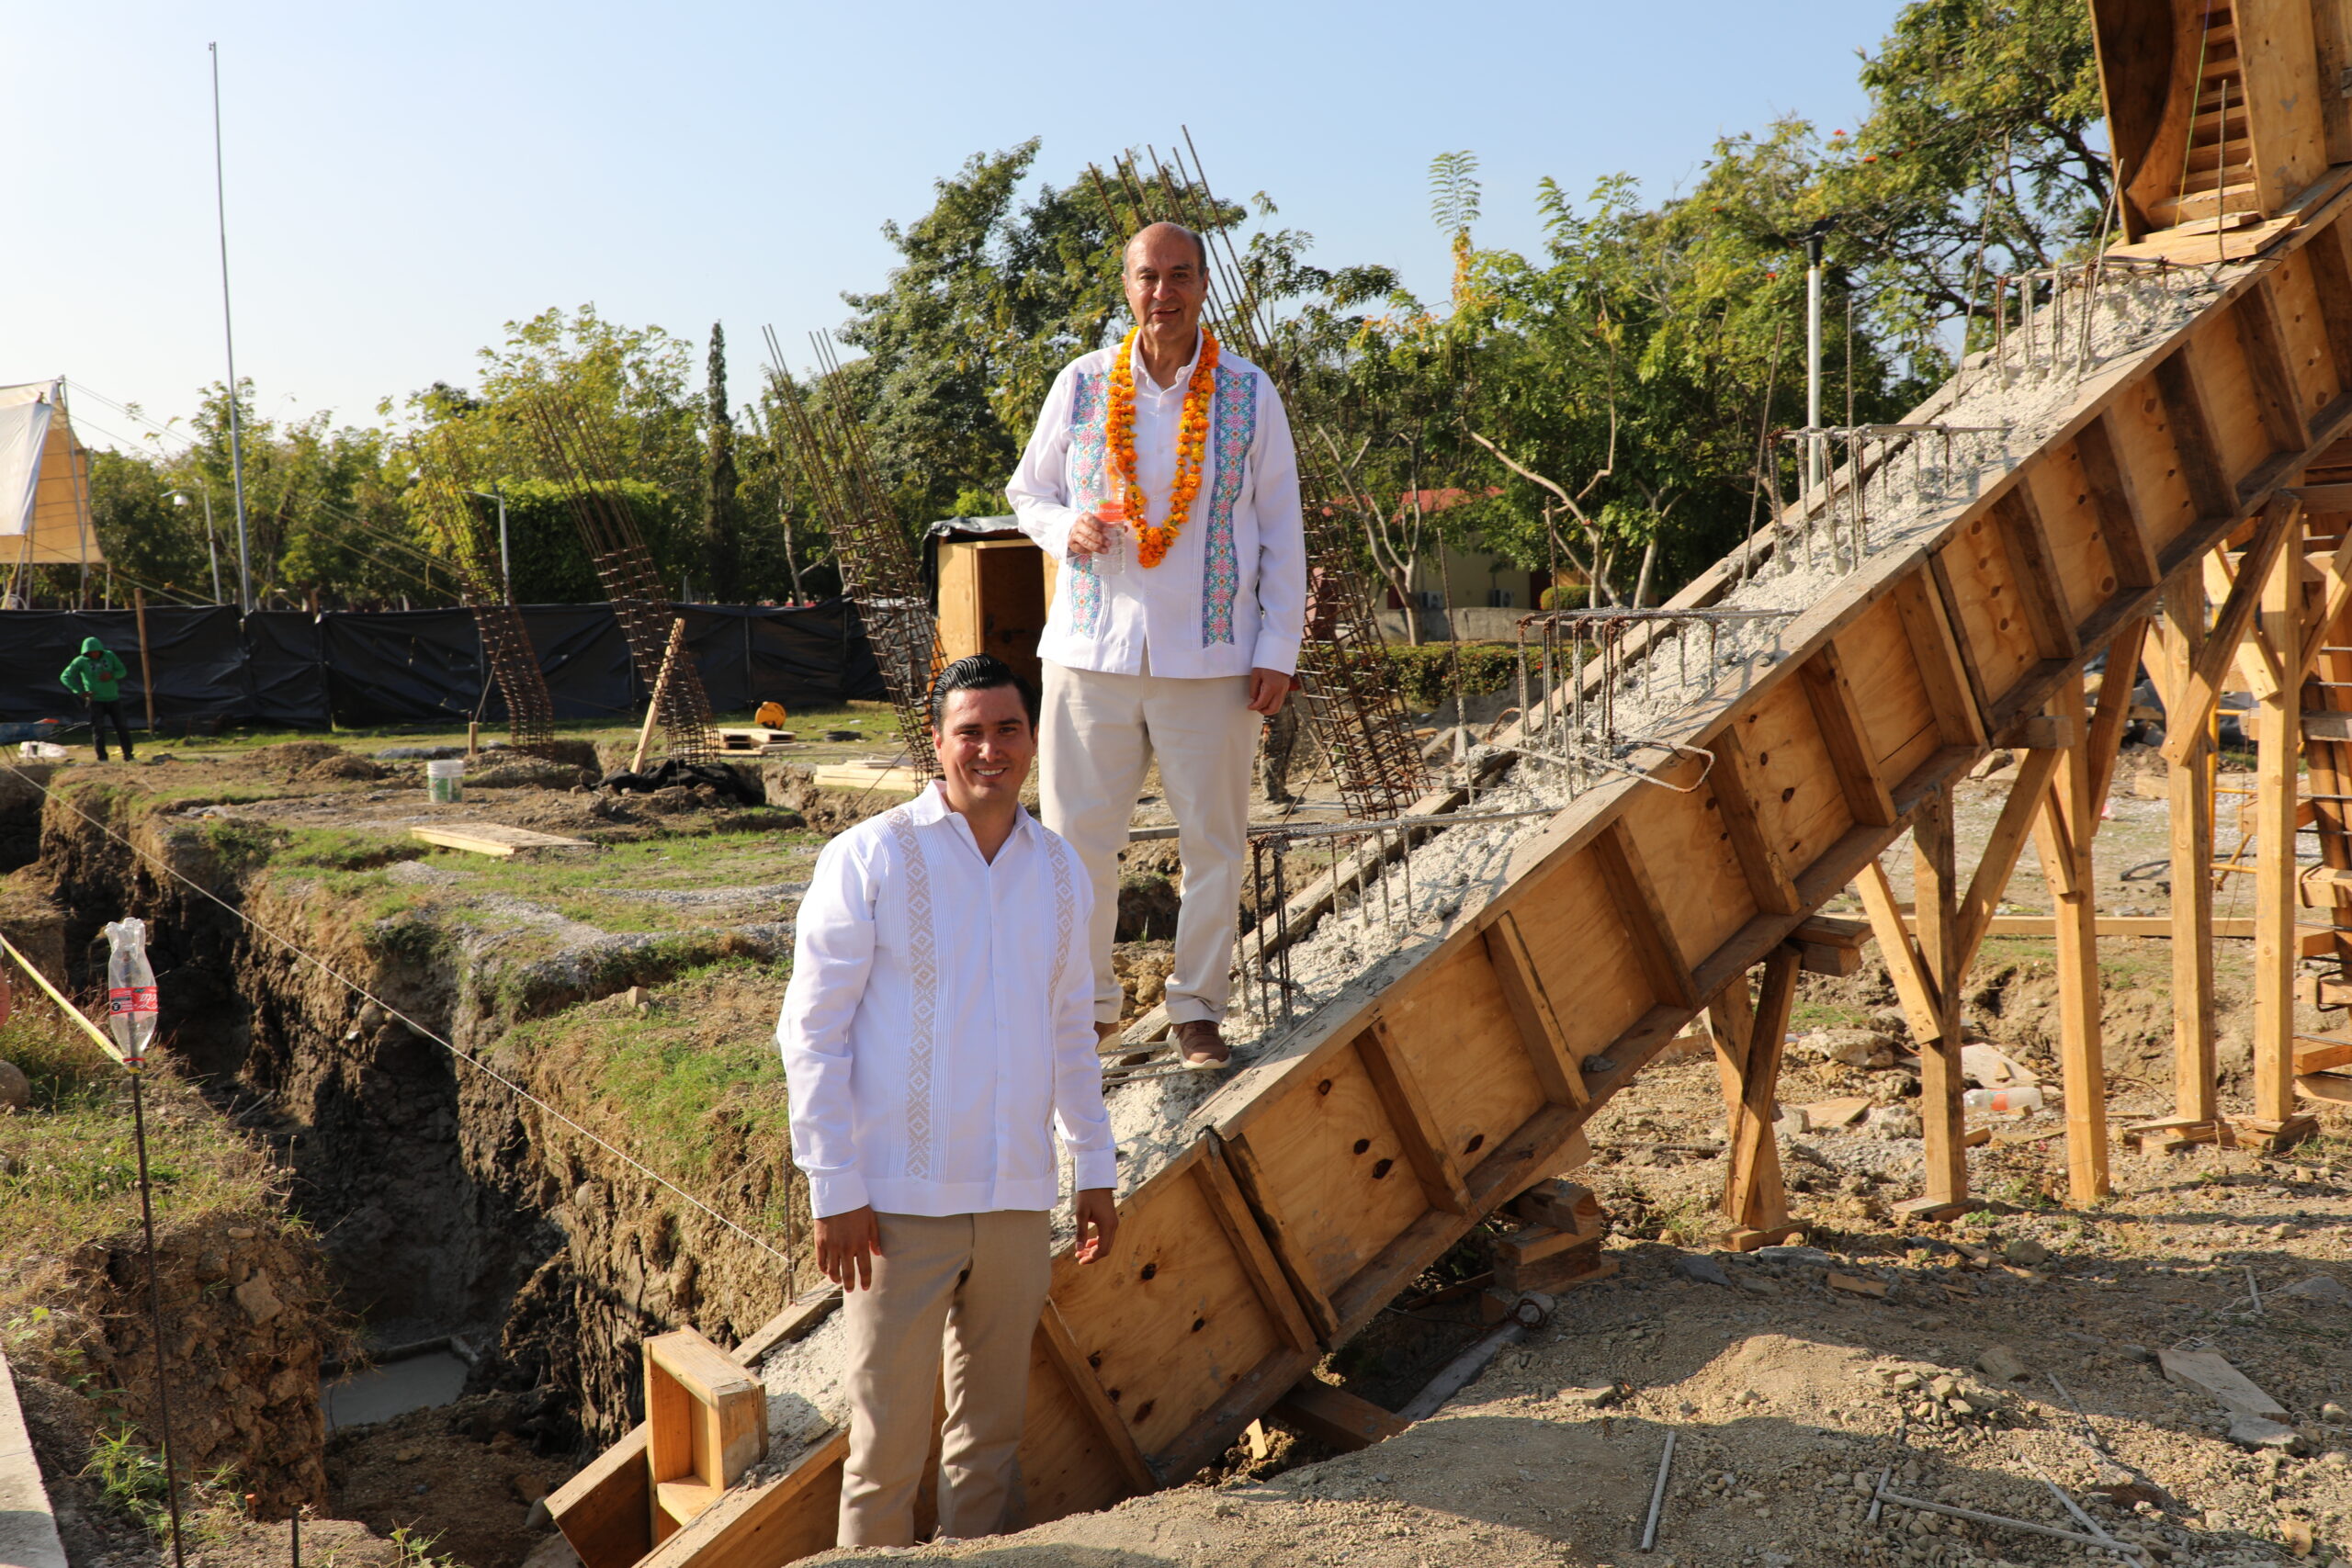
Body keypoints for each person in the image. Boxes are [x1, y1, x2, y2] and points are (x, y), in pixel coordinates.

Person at [776, 653, 1119, 1549]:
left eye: (1008, 729)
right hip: (896, 1209)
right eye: (969, 731)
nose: (990, 749)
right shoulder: (870, 857)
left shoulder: (1059, 871)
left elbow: (1070, 1033)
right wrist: (834, 1188)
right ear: (936, 743)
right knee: (885, 1452)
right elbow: (810, 1033)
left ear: (1033, 739)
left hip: (1014, 1200)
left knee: (988, 1446)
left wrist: (1095, 1167)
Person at [1007, 220, 1306, 1068]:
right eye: (1148, 275)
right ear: (1127, 285)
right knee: (1074, 844)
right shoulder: (1082, 383)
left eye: (1180, 275)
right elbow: (1027, 492)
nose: (1163, 292)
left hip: (1212, 657)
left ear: (1204, 285)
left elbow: (1281, 526)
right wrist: (1066, 527)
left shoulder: (1248, 392)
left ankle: (1198, 1009)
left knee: (1214, 840)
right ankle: (1088, 1009)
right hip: (1090, 654)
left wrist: (1278, 643)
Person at [60, 636, 134, 761]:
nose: (94, 654)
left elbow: (122, 671)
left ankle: (128, 755)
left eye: (97, 651)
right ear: (86, 653)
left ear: (101, 650)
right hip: (95, 701)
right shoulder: (81, 661)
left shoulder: (109, 656)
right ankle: (102, 758)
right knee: (98, 729)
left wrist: (112, 675)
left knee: (122, 727)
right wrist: (80, 691)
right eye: (91, 652)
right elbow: (65, 676)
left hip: (113, 698)